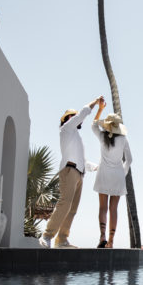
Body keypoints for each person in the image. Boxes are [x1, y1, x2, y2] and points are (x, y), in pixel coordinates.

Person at [39, 96, 103, 249]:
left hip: (79, 173)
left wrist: (97, 167)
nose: (76, 118)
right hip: (69, 170)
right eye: (72, 116)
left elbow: (83, 161)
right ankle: (47, 235)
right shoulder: (66, 129)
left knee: (72, 209)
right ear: (67, 119)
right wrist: (95, 102)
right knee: (64, 204)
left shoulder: (76, 137)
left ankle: (61, 240)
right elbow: (83, 113)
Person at [91, 99, 132, 248]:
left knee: (102, 207)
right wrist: (123, 173)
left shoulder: (102, 136)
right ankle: (111, 241)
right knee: (113, 209)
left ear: (108, 125)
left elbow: (93, 125)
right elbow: (129, 160)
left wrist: (100, 109)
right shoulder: (123, 139)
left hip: (103, 174)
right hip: (117, 176)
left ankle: (102, 236)